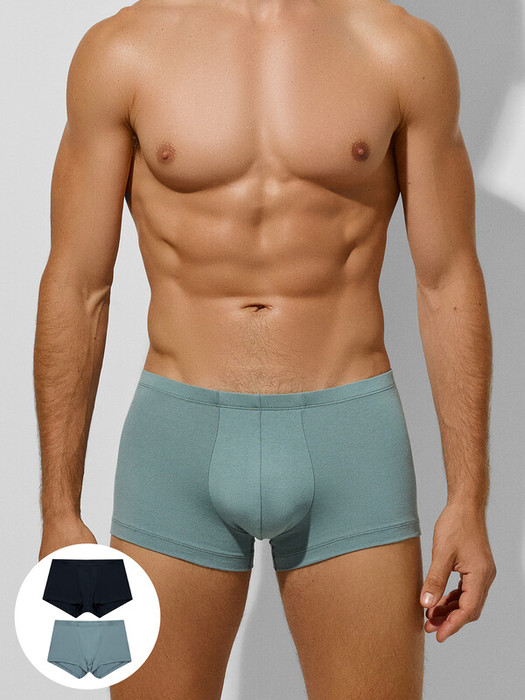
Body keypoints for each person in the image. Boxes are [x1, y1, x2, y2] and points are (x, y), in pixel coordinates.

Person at [34, 0, 496, 697]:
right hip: (176, 447)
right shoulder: (123, 51)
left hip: (350, 442)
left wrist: (468, 497)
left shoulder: (400, 49)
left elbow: (445, 280)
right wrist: (58, 510)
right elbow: (77, 285)